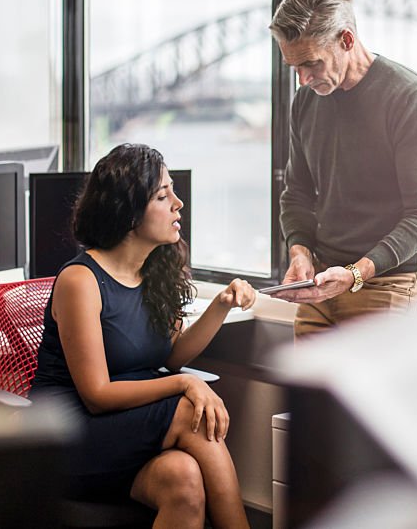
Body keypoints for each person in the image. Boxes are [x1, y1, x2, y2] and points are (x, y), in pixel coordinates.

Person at [29, 143, 253, 529]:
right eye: (163, 195)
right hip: (69, 437)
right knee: (192, 413)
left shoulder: (155, 272)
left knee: (184, 480)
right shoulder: (80, 280)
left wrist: (222, 304)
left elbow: (170, 357)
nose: (178, 204)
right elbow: (96, 396)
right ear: (129, 213)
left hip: (128, 428)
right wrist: (184, 385)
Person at [268, 0, 417, 336]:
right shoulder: (306, 101)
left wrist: (354, 275)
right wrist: (300, 253)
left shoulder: (410, 98)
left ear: (346, 40)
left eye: (311, 64)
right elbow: (297, 193)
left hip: (388, 283)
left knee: (369, 394)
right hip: (322, 283)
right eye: (294, 67)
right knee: (306, 393)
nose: (303, 80)